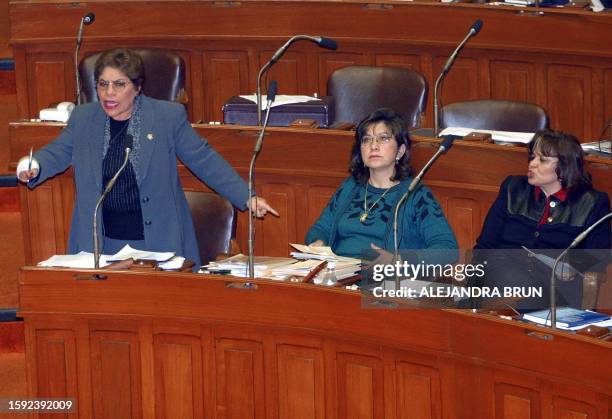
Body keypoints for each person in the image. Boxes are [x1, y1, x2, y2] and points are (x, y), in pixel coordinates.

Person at [16, 48, 277, 266]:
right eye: (103, 84)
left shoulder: (166, 117)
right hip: (100, 242)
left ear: (137, 87)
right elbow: (60, 150)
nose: (109, 93)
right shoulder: (84, 118)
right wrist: (35, 165)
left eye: (119, 84)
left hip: (156, 242)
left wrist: (246, 196)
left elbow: (203, 159)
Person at [473, 129, 611, 309]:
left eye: (542, 160)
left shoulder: (591, 202)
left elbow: (600, 252)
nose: (532, 164)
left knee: (520, 295)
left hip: (553, 286)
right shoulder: (513, 189)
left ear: (565, 166)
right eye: (532, 157)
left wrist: (571, 266)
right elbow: (486, 245)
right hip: (503, 274)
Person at [305, 108, 458, 263]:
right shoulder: (350, 187)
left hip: (382, 281)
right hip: (338, 276)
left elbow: (447, 249)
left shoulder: (415, 194)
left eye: (383, 138)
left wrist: (399, 261)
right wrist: (319, 243)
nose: (374, 146)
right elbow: (321, 229)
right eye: (367, 139)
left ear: (400, 151)